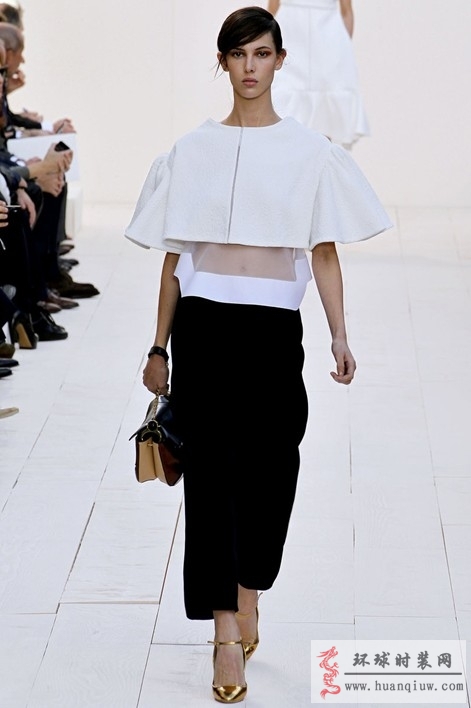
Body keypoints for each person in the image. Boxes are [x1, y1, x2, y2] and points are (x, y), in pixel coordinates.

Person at [125, 6, 391, 703]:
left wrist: (338, 333)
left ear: (279, 60)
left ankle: (248, 592)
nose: (250, 67)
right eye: (238, 55)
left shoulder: (308, 151)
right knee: (212, 477)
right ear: (222, 63)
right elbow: (174, 259)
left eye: (262, 53)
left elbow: (323, 250)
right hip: (205, 327)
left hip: (274, 331)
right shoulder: (191, 151)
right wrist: (158, 346)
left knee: (273, 469)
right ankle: (223, 634)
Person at [268, 0, 369, 149]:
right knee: (283, 109)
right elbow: (272, 9)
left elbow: (346, 11)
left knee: (326, 114)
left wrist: (343, 50)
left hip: (328, 37)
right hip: (289, 32)